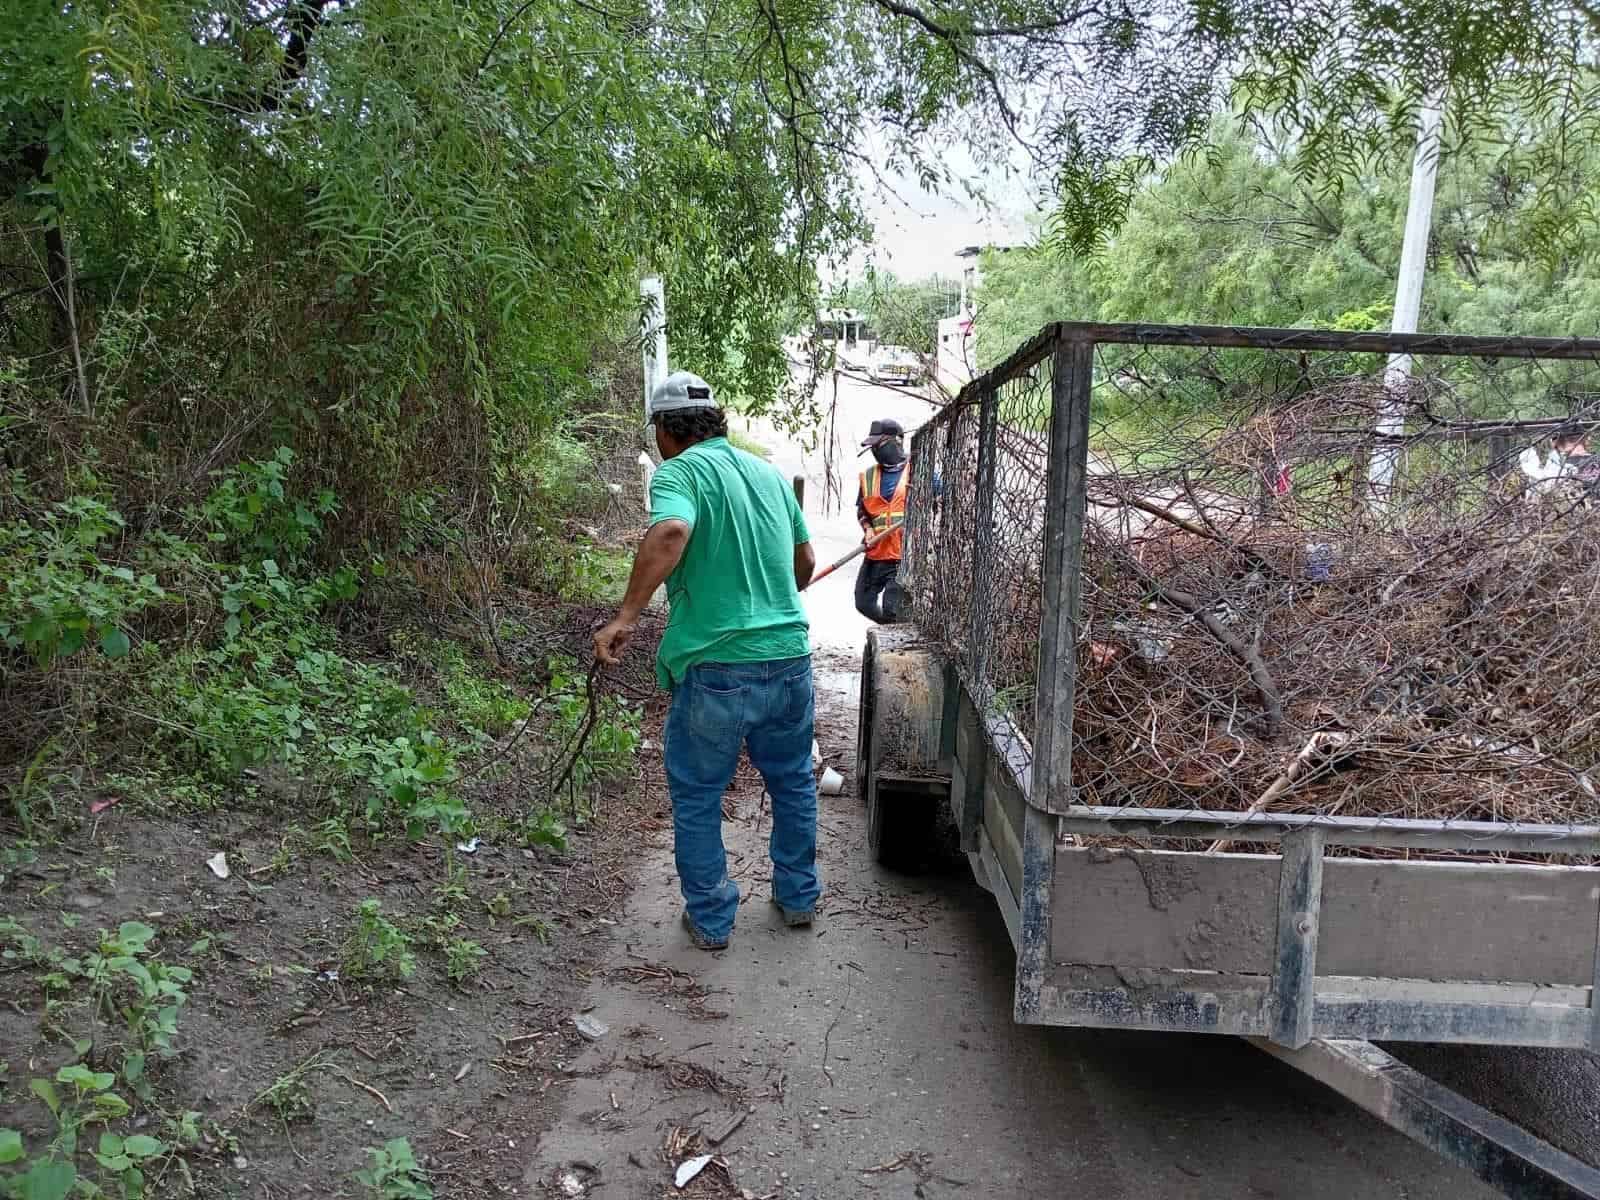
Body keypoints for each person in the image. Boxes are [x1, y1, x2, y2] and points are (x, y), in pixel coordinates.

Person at [593, 371, 820, 951]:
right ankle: (797, 897)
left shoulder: (678, 473)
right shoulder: (767, 475)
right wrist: (775, 598)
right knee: (793, 782)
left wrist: (626, 617)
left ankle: (714, 920)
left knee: (698, 794)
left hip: (717, 670)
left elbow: (671, 531)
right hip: (789, 660)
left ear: (667, 430)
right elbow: (805, 562)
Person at [855, 418, 911, 623]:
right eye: (872, 446)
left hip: (902, 555)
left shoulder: (918, 471)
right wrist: (867, 528)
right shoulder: (868, 476)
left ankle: (895, 637)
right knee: (863, 603)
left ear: (896, 441)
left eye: (879, 444)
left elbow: (941, 503)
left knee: (892, 608)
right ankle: (892, 632)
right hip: (876, 552)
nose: (875, 450)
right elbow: (862, 510)